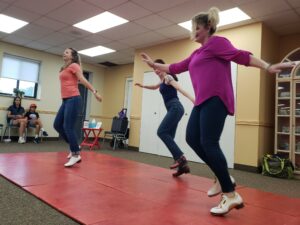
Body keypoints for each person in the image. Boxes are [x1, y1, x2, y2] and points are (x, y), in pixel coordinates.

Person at [140, 7, 297, 216]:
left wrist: (267, 66)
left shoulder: (217, 43)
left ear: (208, 27)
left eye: (197, 27)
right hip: (202, 102)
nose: (193, 31)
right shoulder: (197, 53)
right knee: (192, 138)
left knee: (209, 142)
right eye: (192, 27)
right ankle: (221, 176)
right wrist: (153, 64)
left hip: (216, 99)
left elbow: (242, 56)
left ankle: (231, 194)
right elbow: (176, 67)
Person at [135, 59, 195, 177]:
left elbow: (179, 88)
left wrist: (192, 99)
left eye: (157, 68)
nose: (156, 71)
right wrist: (143, 85)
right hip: (174, 109)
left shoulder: (168, 78)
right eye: (154, 69)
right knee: (169, 136)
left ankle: (181, 158)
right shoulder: (162, 80)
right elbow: (153, 87)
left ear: (162, 67)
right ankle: (182, 167)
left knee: (161, 132)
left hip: (175, 107)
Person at [54, 48, 102, 167]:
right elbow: (74, 81)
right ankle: (74, 146)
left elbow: (82, 79)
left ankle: (76, 154)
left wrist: (94, 91)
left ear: (72, 56)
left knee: (68, 126)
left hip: (73, 98)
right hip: (65, 100)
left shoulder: (75, 65)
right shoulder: (64, 67)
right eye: (63, 51)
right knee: (57, 125)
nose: (64, 53)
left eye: (66, 52)